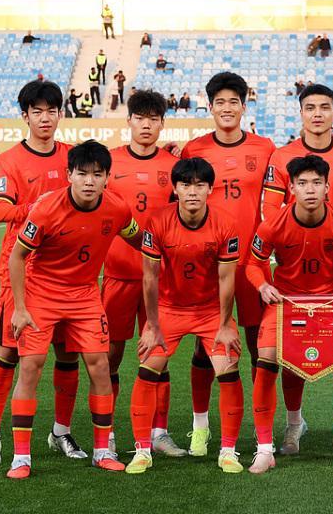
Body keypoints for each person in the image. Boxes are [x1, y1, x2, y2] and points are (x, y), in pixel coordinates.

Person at [5, 140, 146, 479]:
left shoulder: (116, 208)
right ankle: (21, 457)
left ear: (107, 177)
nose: (89, 181)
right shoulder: (46, 209)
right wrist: (20, 308)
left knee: (100, 366)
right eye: (82, 174)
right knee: (31, 367)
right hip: (42, 293)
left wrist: (173, 247)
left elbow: (139, 239)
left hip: (84, 295)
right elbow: (17, 256)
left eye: (97, 174)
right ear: (69, 174)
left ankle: (102, 451)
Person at [246, 155, 333, 474]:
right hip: (288, 302)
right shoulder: (273, 224)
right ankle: (265, 449)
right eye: (302, 183)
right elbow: (253, 264)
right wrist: (263, 285)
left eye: (317, 183)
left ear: (327, 187)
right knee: (266, 359)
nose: (310, 189)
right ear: (291, 188)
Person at [261, 84, 333, 453]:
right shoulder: (282, 156)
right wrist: (282, 245)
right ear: (301, 113)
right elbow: (270, 211)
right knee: (291, 353)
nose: (318, 114)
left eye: (325, 107)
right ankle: (295, 424)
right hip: (295, 273)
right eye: (310, 107)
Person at [0, 80, 82, 468]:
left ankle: (61, 431)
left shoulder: (72, 157)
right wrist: (41, 206)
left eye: (51, 111)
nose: (45, 118)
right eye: (37, 111)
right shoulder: (9, 160)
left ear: (60, 114)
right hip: (21, 270)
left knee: (68, 353)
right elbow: (2, 211)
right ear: (25, 116)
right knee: (8, 351)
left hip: (66, 271)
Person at [126, 157, 245, 474]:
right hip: (169, 309)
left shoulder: (225, 224)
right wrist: (152, 325)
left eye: (199, 185)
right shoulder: (157, 222)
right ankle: (142, 450)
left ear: (210, 189)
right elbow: (149, 277)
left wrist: (225, 324)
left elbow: (226, 279)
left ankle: (228, 451)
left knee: (228, 368)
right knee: (148, 368)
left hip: (210, 311)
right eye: (185, 185)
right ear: (175, 188)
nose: (192, 191)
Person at [180, 73, 276, 453]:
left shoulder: (265, 148)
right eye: (219, 102)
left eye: (233, 101)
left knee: (259, 346)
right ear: (210, 107)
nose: (226, 108)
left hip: (253, 263)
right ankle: (200, 426)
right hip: (208, 265)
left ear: (243, 106)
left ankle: (261, 430)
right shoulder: (194, 149)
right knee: (205, 347)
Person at [95, 90, 183, 456]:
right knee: (109, 357)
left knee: (158, 356)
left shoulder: (174, 165)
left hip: (160, 279)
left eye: (153, 119)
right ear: (129, 121)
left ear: (162, 124)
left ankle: (158, 433)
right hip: (117, 274)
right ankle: (108, 434)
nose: (146, 125)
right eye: (140, 118)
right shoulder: (109, 162)